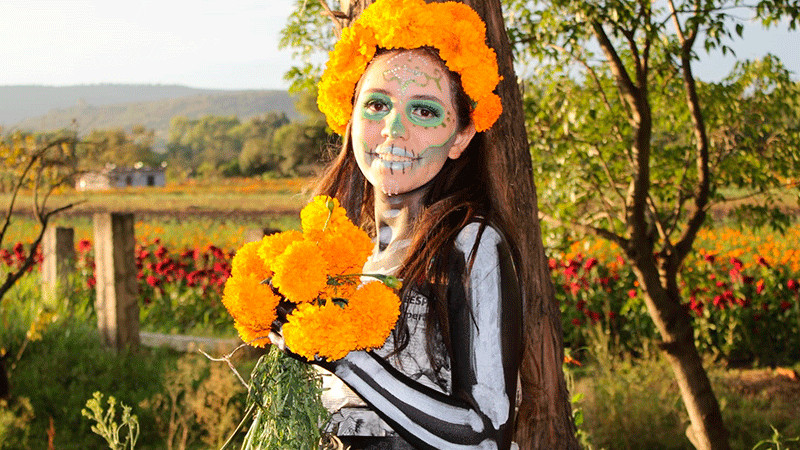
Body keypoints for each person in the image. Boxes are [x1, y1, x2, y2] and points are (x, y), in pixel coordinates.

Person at [274, 0, 523, 448]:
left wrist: (345, 353)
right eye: (376, 105)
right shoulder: (348, 253)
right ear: (349, 117)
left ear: (461, 137)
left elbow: (486, 435)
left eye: (424, 111)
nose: (394, 129)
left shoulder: (472, 244)